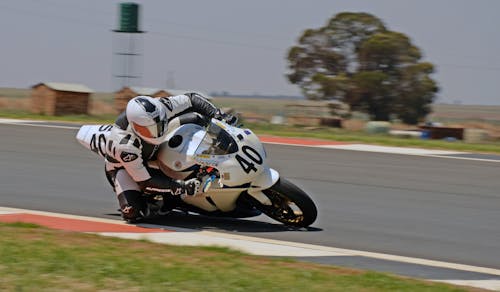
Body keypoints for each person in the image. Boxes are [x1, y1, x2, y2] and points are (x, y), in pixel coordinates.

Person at [104, 92, 236, 222]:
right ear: (135, 127)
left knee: (196, 118)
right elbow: (145, 182)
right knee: (132, 212)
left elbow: (191, 98)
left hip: (154, 151)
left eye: (159, 125)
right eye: (149, 129)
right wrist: (181, 186)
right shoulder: (125, 146)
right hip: (125, 168)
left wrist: (218, 115)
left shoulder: (160, 107)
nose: (157, 132)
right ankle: (168, 201)